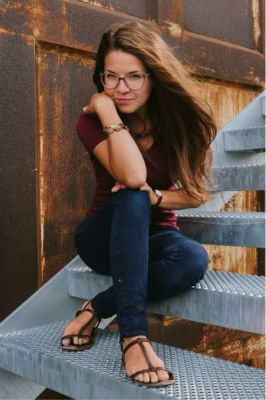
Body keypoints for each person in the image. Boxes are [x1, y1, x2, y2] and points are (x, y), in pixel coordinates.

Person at [60, 21, 217, 388]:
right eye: (110, 77)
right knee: (130, 196)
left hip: (155, 234)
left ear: (154, 76)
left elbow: (195, 193)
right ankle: (134, 337)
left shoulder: (178, 123)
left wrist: (158, 197)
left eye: (134, 76)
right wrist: (107, 111)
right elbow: (131, 177)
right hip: (103, 234)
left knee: (194, 259)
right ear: (101, 78)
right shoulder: (91, 120)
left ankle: (97, 307)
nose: (121, 88)